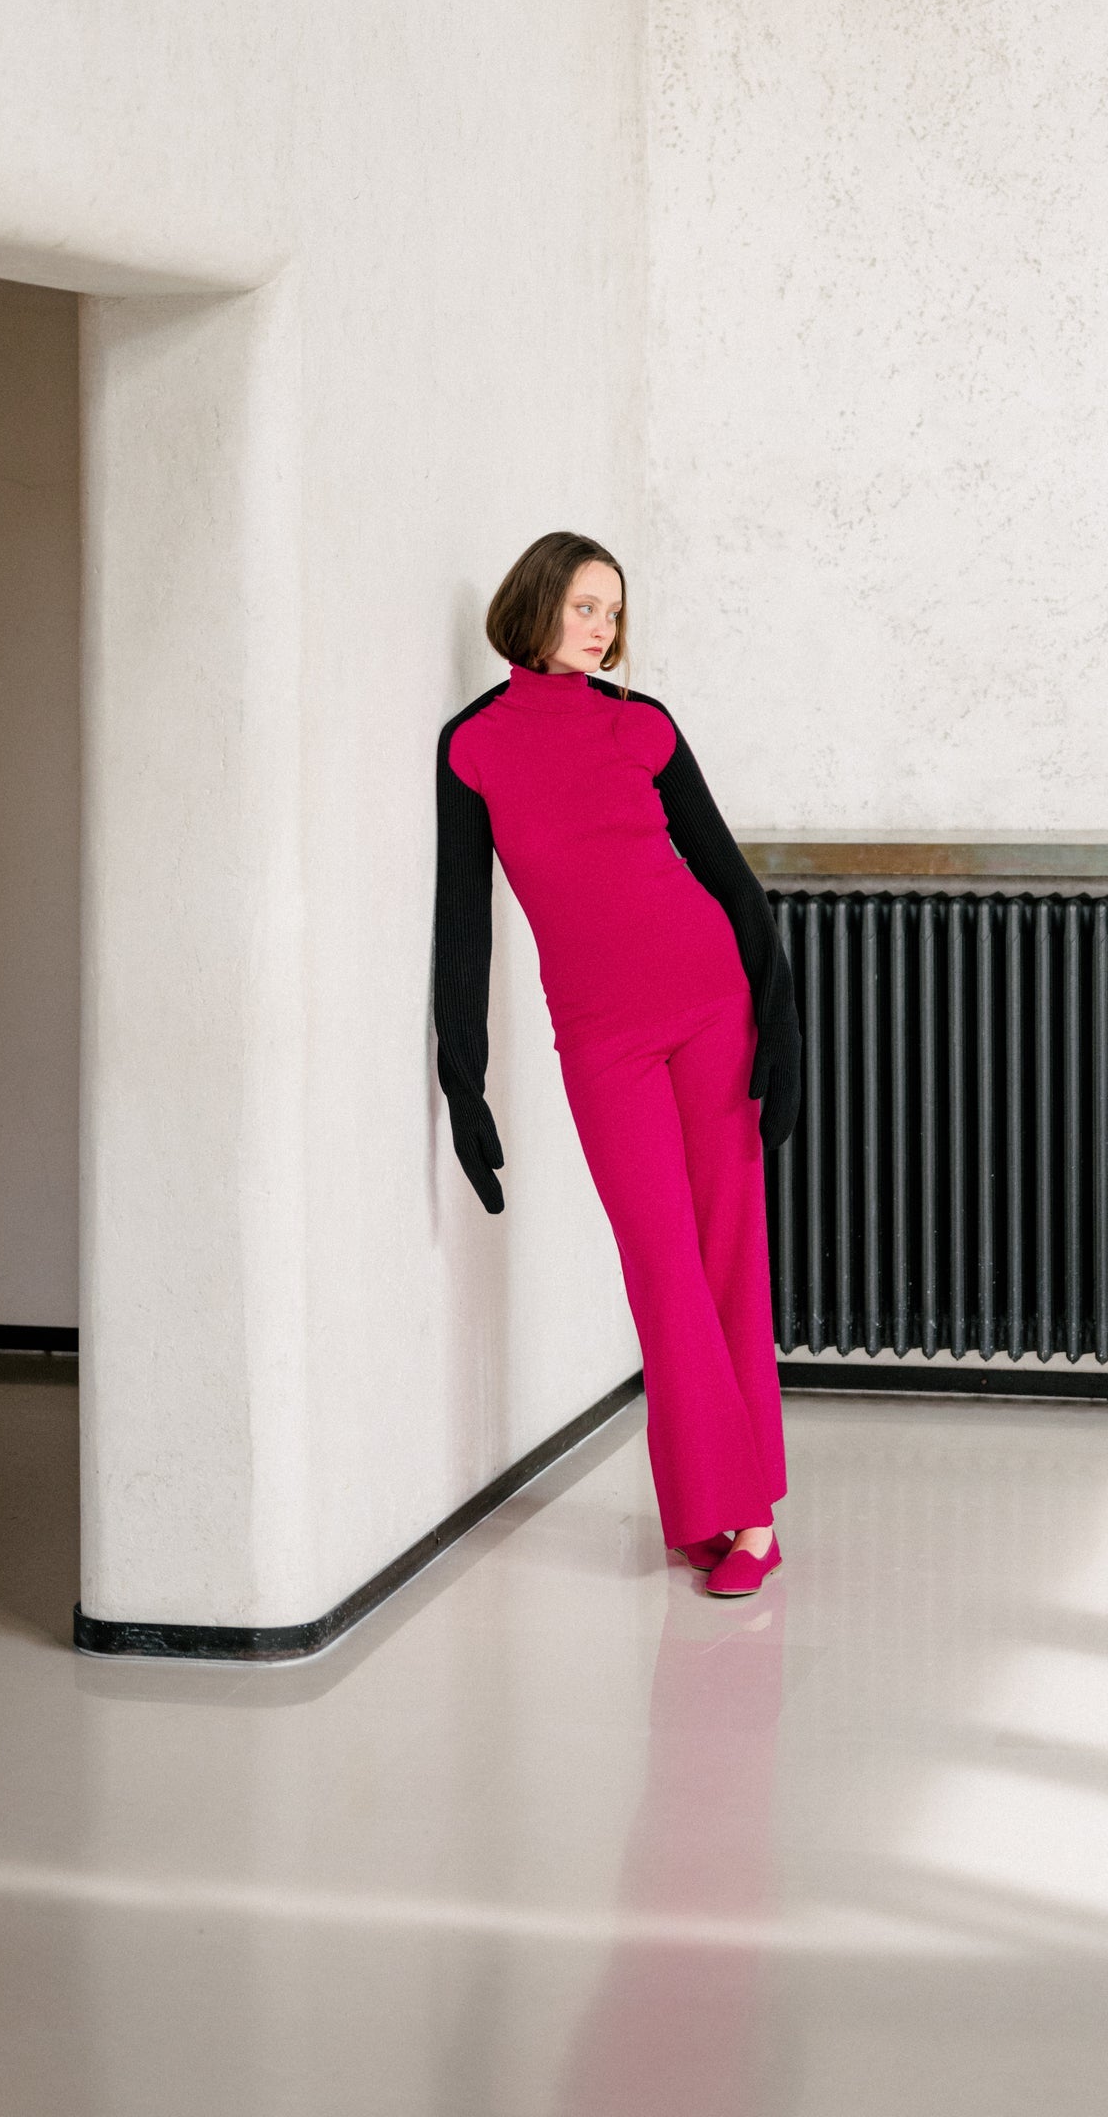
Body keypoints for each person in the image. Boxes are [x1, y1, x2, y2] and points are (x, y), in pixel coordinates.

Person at [433, 531, 797, 1593]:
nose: (602, 629)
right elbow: (466, 928)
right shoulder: (474, 747)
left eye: (613, 613)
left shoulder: (642, 727)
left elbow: (733, 880)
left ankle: (748, 1519)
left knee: (728, 1250)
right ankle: (712, 1503)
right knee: (659, 1261)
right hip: (602, 1037)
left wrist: (785, 1031)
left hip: (710, 1004)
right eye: (586, 607)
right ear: (537, 605)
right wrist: (465, 1078)